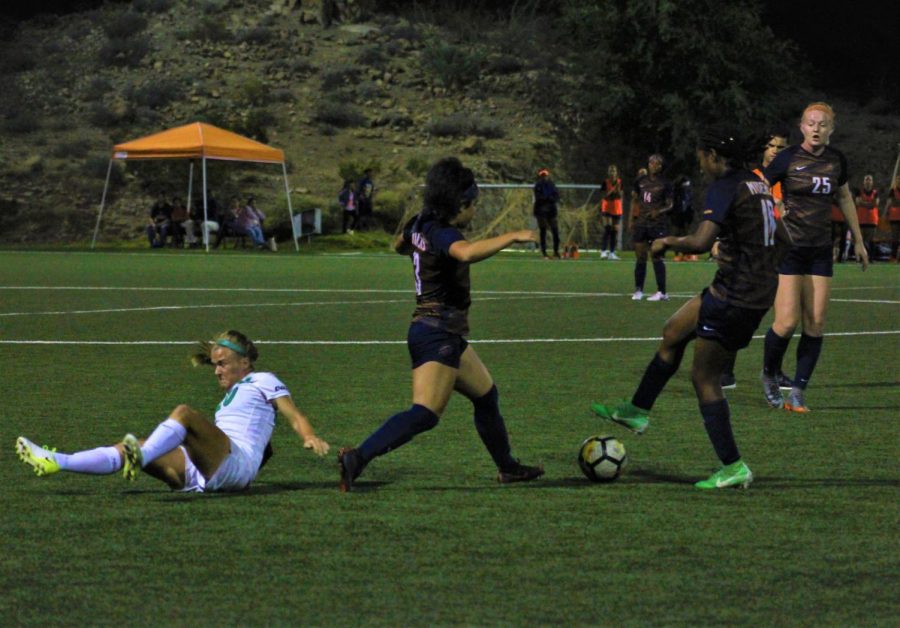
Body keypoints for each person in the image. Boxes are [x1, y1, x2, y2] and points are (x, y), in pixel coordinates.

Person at [591, 128, 784, 490]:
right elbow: (783, 236)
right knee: (673, 330)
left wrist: (666, 241)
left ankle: (733, 465)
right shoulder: (757, 184)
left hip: (736, 295)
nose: (699, 164)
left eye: (700, 156)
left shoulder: (726, 186)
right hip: (741, 287)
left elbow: (699, 241)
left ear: (713, 156)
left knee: (704, 377)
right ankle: (637, 411)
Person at [337, 157, 544, 492]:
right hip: (438, 332)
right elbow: (466, 253)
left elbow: (399, 244)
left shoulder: (419, 223)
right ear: (458, 205)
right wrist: (513, 235)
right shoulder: (443, 232)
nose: (474, 211)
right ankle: (357, 457)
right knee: (425, 413)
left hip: (439, 330)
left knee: (487, 396)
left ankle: (508, 468)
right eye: (472, 205)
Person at [15, 330, 330, 492]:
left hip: (233, 462)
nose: (217, 371)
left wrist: (310, 435)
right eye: (214, 365)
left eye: (222, 364)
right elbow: (266, 447)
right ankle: (56, 461)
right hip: (214, 469)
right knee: (131, 447)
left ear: (244, 363)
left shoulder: (263, 379)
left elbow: (294, 415)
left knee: (184, 414)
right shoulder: (231, 397)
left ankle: (146, 455)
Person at [759, 102, 868, 413]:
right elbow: (760, 188)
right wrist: (774, 213)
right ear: (802, 127)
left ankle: (798, 391)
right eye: (811, 123)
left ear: (831, 129)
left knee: (816, 323)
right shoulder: (788, 158)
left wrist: (858, 241)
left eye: (822, 124)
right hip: (791, 247)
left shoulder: (837, 161)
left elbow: (845, 196)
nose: (816, 128)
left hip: (820, 250)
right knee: (786, 321)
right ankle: (769, 373)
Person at [720, 130, 791, 389]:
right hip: (751, 257)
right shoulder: (754, 178)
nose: (774, 150)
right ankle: (726, 371)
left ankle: (774, 371)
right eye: (771, 145)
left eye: (780, 147)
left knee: (785, 318)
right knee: (738, 313)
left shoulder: (791, 179)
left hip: (781, 255)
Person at [629, 154, 673, 301]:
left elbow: (670, 204)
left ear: (661, 166)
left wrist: (658, 212)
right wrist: (632, 219)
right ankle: (638, 290)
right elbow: (634, 201)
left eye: (657, 163)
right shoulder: (640, 181)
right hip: (641, 224)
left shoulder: (666, 183)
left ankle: (662, 292)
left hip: (657, 225)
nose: (654, 165)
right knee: (640, 257)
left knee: (656, 257)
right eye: (651, 162)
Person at [533, 167, 561, 259]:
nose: (544, 177)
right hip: (541, 211)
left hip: (551, 211)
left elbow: (556, 196)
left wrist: (549, 198)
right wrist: (548, 198)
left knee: (555, 231)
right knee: (543, 230)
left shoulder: (552, 185)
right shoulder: (538, 185)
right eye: (542, 175)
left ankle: (556, 251)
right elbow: (539, 197)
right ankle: (544, 252)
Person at [599, 164, 623, 260]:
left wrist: (617, 192)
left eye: (614, 171)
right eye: (611, 171)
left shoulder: (619, 182)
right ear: (608, 173)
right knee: (608, 228)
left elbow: (620, 195)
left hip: (616, 208)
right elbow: (603, 195)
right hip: (607, 207)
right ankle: (603, 251)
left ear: (616, 173)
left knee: (614, 231)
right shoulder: (605, 182)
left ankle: (612, 253)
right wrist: (610, 193)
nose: (612, 173)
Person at [853, 175, 879, 261]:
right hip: (860, 219)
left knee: (871, 240)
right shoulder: (859, 191)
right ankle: (861, 258)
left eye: (870, 180)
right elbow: (857, 202)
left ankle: (871, 258)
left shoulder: (875, 192)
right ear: (864, 182)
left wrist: (864, 203)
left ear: (872, 182)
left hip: (872, 220)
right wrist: (869, 204)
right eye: (866, 180)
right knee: (861, 240)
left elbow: (875, 204)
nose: (868, 182)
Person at [669, 176, 694, 261]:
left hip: (686, 215)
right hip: (677, 215)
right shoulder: (676, 192)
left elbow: (689, 203)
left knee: (685, 234)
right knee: (677, 233)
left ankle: (687, 253)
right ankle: (678, 254)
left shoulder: (687, 192)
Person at [885, 174, 900, 261]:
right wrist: (886, 214)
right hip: (894, 218)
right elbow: (891, 203)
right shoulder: (892, 191)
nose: (899, 181)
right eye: (898, 179)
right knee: (895, 238)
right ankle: (893, 256)